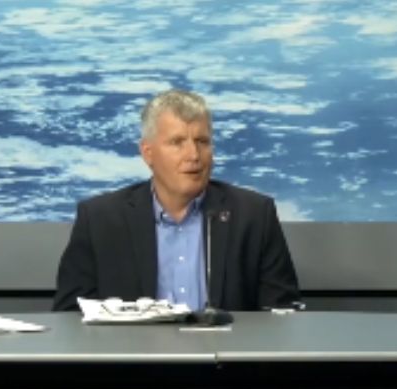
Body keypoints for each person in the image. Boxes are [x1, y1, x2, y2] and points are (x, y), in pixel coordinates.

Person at [53, 89, 301, 312]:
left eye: (202, 142)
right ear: (148, 153)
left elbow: (282, 313)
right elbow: (70, 318)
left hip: (228, 349)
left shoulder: (254, 215)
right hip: (134, 350)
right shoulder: (100, 219)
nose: (193, 155)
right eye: (177, 142)